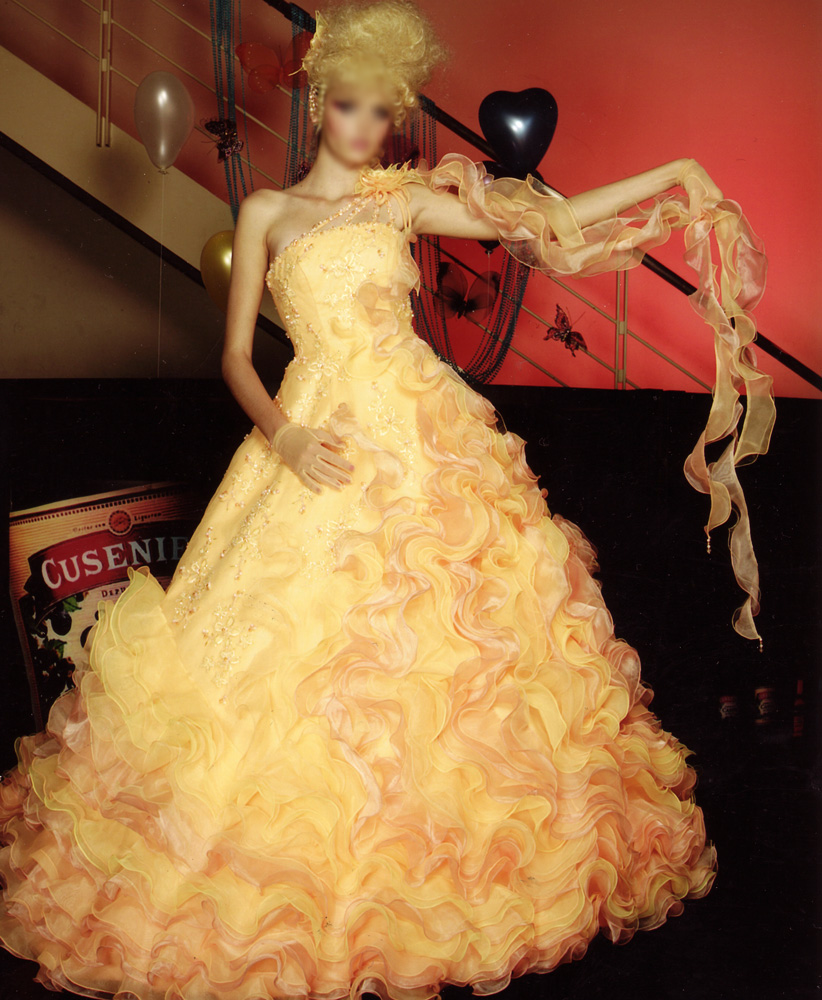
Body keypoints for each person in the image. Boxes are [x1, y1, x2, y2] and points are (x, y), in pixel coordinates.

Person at [0, 2, 774, 998]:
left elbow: (548, 223)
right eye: (350, 105)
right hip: (310, 442)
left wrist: (674, 173)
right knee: (278, 668)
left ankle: (437, 885)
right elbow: (235, 358)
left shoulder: (402, 200)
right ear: (321, 102)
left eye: (381, 110)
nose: (365, 125)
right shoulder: (266, 212)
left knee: (455, 656)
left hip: (422, 440)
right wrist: (285, 436)